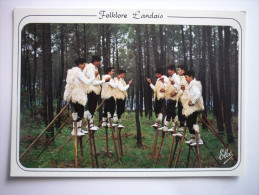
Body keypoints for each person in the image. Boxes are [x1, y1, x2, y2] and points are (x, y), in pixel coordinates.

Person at [63, 58, 96, 136]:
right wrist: (93, 76)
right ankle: (76, 130)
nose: (84, 66)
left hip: (73, 95)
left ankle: (78, 129)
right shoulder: (78, 72)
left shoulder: (71, 72)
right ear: (80, 64)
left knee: (77, 111)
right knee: (79, 112)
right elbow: (87, 82)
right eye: (84, 64)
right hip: (78, 95)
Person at [83, 56, 110, 130]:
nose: (100, 63)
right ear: (95, 61)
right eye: (99, 61)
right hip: (92, 89)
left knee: (92, 107)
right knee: (91, 107)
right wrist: (104, 81)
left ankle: (90, 123)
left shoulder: (94, 68)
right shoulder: (91, 68)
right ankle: (89, 124)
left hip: (94, 89)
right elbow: (93, 82)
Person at [181, 70, 204, 146]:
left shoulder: (194, 84)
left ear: (191, 76)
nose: (185, 79)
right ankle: (193, 138)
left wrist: (193, 102)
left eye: (186, 77)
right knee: (189, 122)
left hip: (194, 107)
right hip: (191, 108)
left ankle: (198, 139)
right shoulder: (190, 84)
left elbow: (198, 94)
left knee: (191, 122)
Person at [160, 65, 180, 131]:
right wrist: (164, 85)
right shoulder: (170, 78)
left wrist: (176, 92)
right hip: (169, 97)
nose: (168, 72)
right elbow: (168, 86)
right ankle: (174, 126)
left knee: (169, 111)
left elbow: (179, 86)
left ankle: (166, 125)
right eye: (168, 70)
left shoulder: (176, 77)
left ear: (173, 70)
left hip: (174, 97)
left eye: (169, 70)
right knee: (172, 112)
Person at [173, 64, 188, 137]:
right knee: (179, 114)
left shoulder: (186, 78)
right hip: (179, 99)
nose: (178, 71)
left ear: (183, 70)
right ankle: (181, 130)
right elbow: (178, 88)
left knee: (182, 114)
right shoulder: (180, 78)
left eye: (179, 70)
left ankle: (183, 131)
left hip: (184, 99)